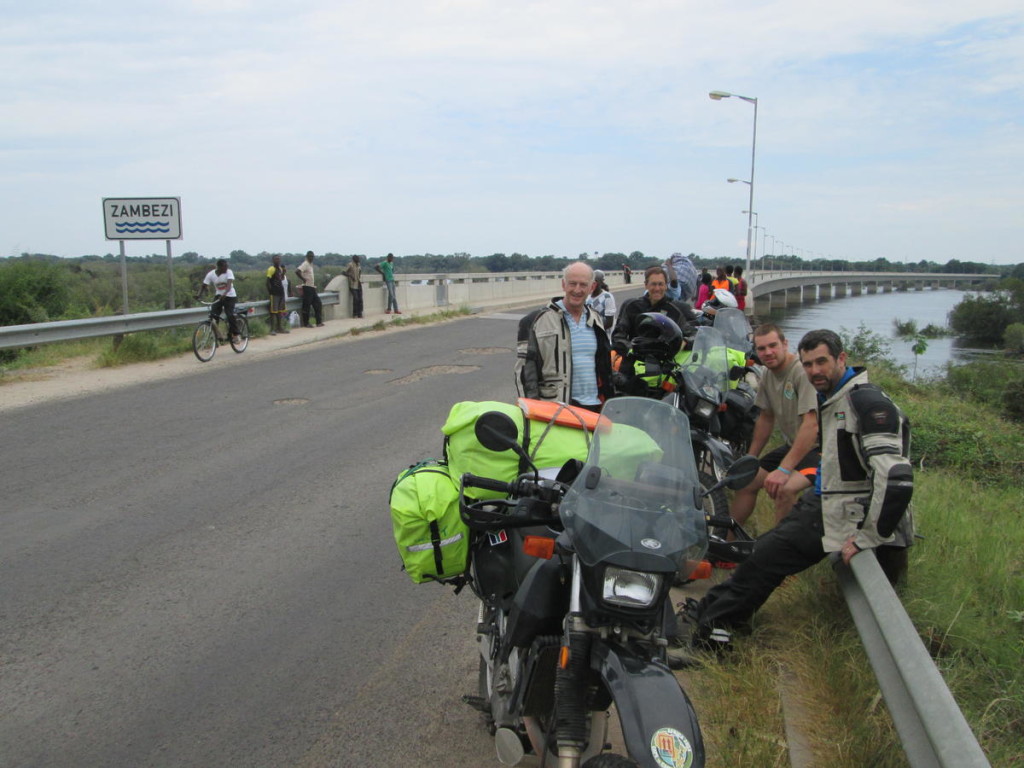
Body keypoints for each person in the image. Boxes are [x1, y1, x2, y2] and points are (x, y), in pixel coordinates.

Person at [687, 329, 914, 650]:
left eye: (822, 362)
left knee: (766, 558)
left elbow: (897, 478)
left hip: (847, 517)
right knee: (759, 553)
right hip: (826, 505)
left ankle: (712, 635)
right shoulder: (834, 398)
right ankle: (709, 613)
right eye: (808, 364)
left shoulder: (867, 403)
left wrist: (868, 537)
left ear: (842, 359)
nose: (814, 371)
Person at [730, 324, 818, 526]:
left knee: (785, 489)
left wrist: (784, 470)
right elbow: (766, 418)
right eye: (761, 349)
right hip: (794, 444)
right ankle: (725, 544)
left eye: (773, 346)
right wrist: (751, 458)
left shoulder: (800, 372)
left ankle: (776, 550)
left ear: (785, 344)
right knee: (747, 481)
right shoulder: (768, 375)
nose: (768, 352)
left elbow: (812, 425)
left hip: (818, 448)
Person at [514, 261, 614, 410]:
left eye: (583, 285)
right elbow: (524, 373)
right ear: (563, 285)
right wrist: (532, 411)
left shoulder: (596, 320)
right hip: (556, 408)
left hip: (594, 406)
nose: (577, 290)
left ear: (592, 287)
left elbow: (603, 367)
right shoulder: (536, 321)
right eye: (572, 284)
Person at [611, 266, 695, 357]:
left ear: (666, 286)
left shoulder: (676, 309)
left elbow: (694, 334)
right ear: (646, 285)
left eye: (660, 284)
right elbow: (618, 336)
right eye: (653, 284)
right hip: (635, 360)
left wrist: (685, 342)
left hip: (665, 363)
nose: (657, 288)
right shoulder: (631, 306)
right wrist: (633, 349)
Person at [196, 259, 240, 343]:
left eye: (227, 266)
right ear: (219, 267)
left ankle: (235, 334)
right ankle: (217, 336)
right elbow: (204, 285)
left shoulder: (229, 272)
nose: (227, 268)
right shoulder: (211, 274)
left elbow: (229, 285)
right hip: (219, 296)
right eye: (225, 267)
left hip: (230, 296)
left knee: (230, 314)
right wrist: (198, 295)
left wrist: (225, 294)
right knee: (213, 316)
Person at [295, 251, 324, 327]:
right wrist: (303, 279)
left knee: (318, 304)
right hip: (307, 287)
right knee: (306, 306)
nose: (311, 258)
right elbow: (297, 271)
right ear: (307, 256)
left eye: (312, 256)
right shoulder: (305, 264)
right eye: (310, 256)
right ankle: (306, 323)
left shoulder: (310, 265)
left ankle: (318, 322)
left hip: (312, 287)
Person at [265, 254, 290, 335]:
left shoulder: (280, 269)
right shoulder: (271, 269)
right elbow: (268, 282)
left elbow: (281, 279)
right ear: (273, 260)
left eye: (279, 259)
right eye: (276, 259)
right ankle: (272, 329)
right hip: (274, 293)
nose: (278, 260)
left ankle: (279, 328)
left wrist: (283, 273)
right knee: (273, 312)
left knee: (280, 311)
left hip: (281, 292)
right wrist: (270, 292)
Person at [342, 254, 363, 319]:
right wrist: (350, 276)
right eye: (357, 259)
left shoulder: (359, 265)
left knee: (360, 299)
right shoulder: (350, 265)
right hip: (352, 284)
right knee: (356, 299)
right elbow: (343, 272)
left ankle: (360, 313)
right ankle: (355, 314)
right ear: (354, 259)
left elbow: (359, 272)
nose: (358, 260)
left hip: (358, 284)